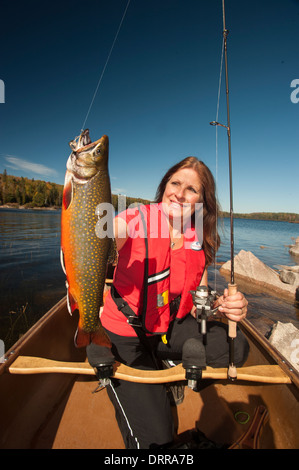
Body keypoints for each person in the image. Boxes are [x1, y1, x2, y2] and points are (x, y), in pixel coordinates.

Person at [100, 156, 249, 449]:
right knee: (158, 442)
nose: (180, 193)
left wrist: (226, 305)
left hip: (167, 329)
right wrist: (97, 229)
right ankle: (144, 369)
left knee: (237, 347)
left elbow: (198, 302)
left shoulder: (198, 236)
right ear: (164, 186)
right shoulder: (135, 218)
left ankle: (167, 363)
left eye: (192, 189)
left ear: (201, 202)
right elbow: (109, 233)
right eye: (175, 183)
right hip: (125, 337)